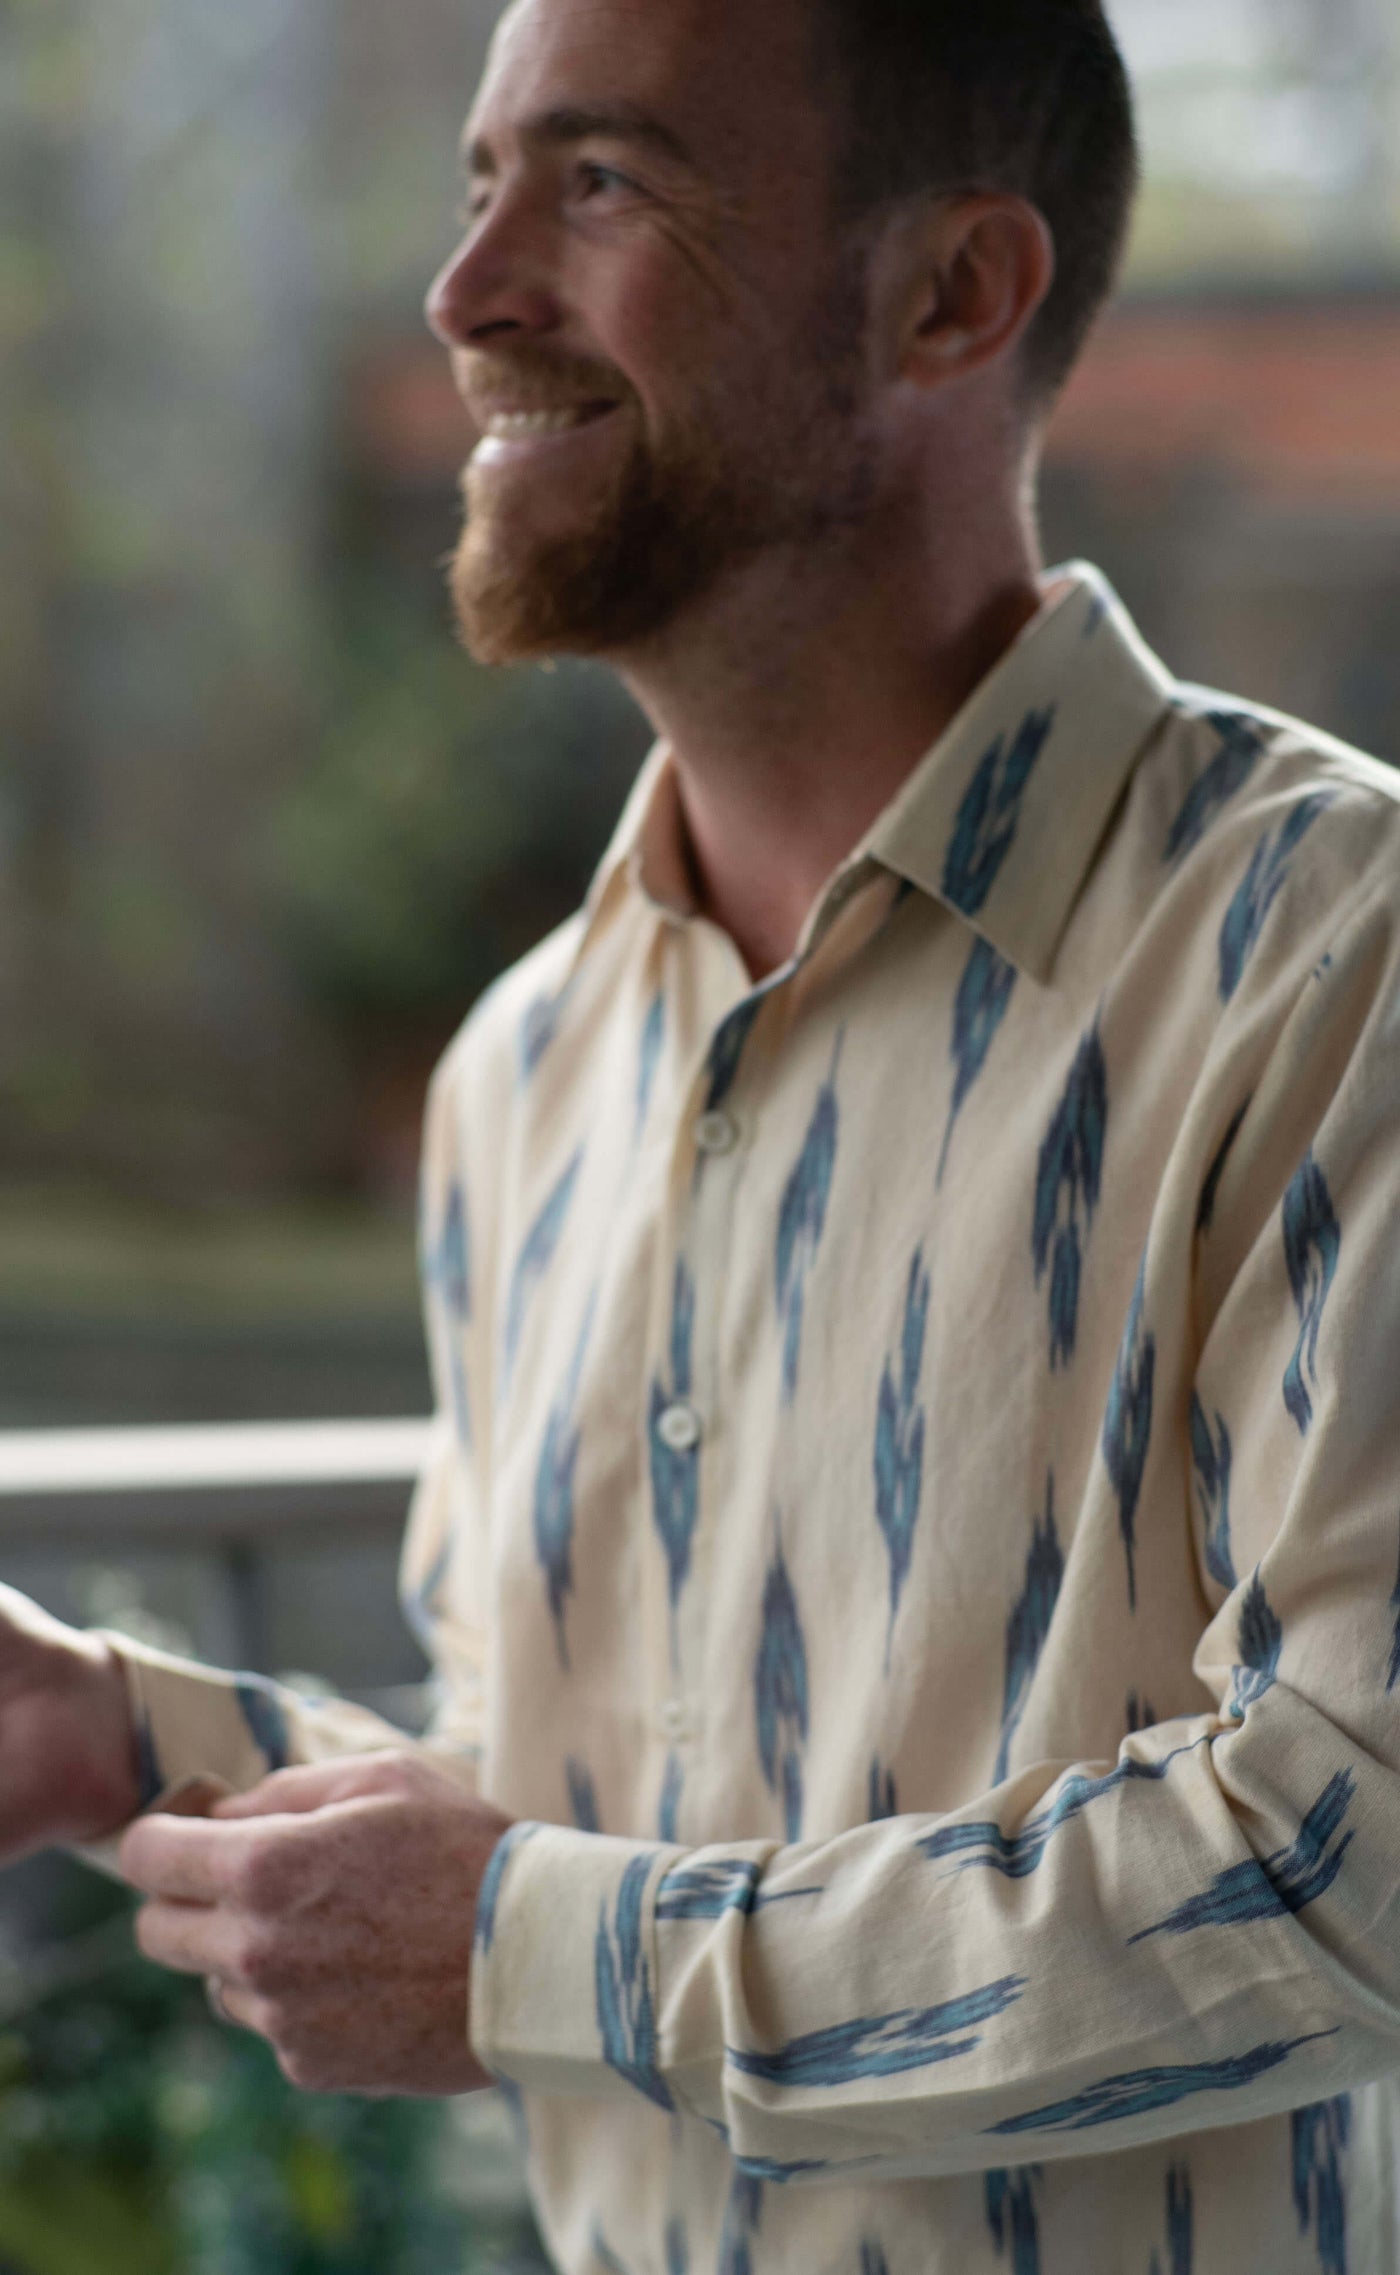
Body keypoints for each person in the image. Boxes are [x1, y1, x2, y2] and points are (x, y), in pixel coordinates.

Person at [5, 0, 1400, 2266]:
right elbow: (565, 1842)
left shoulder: (1341, 958)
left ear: (952, 292)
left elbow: (1356, 1860)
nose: (464, 295)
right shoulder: (523, 1069)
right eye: (475, 184)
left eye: (600, 182)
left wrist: (548, 1949)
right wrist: (116, 1732)